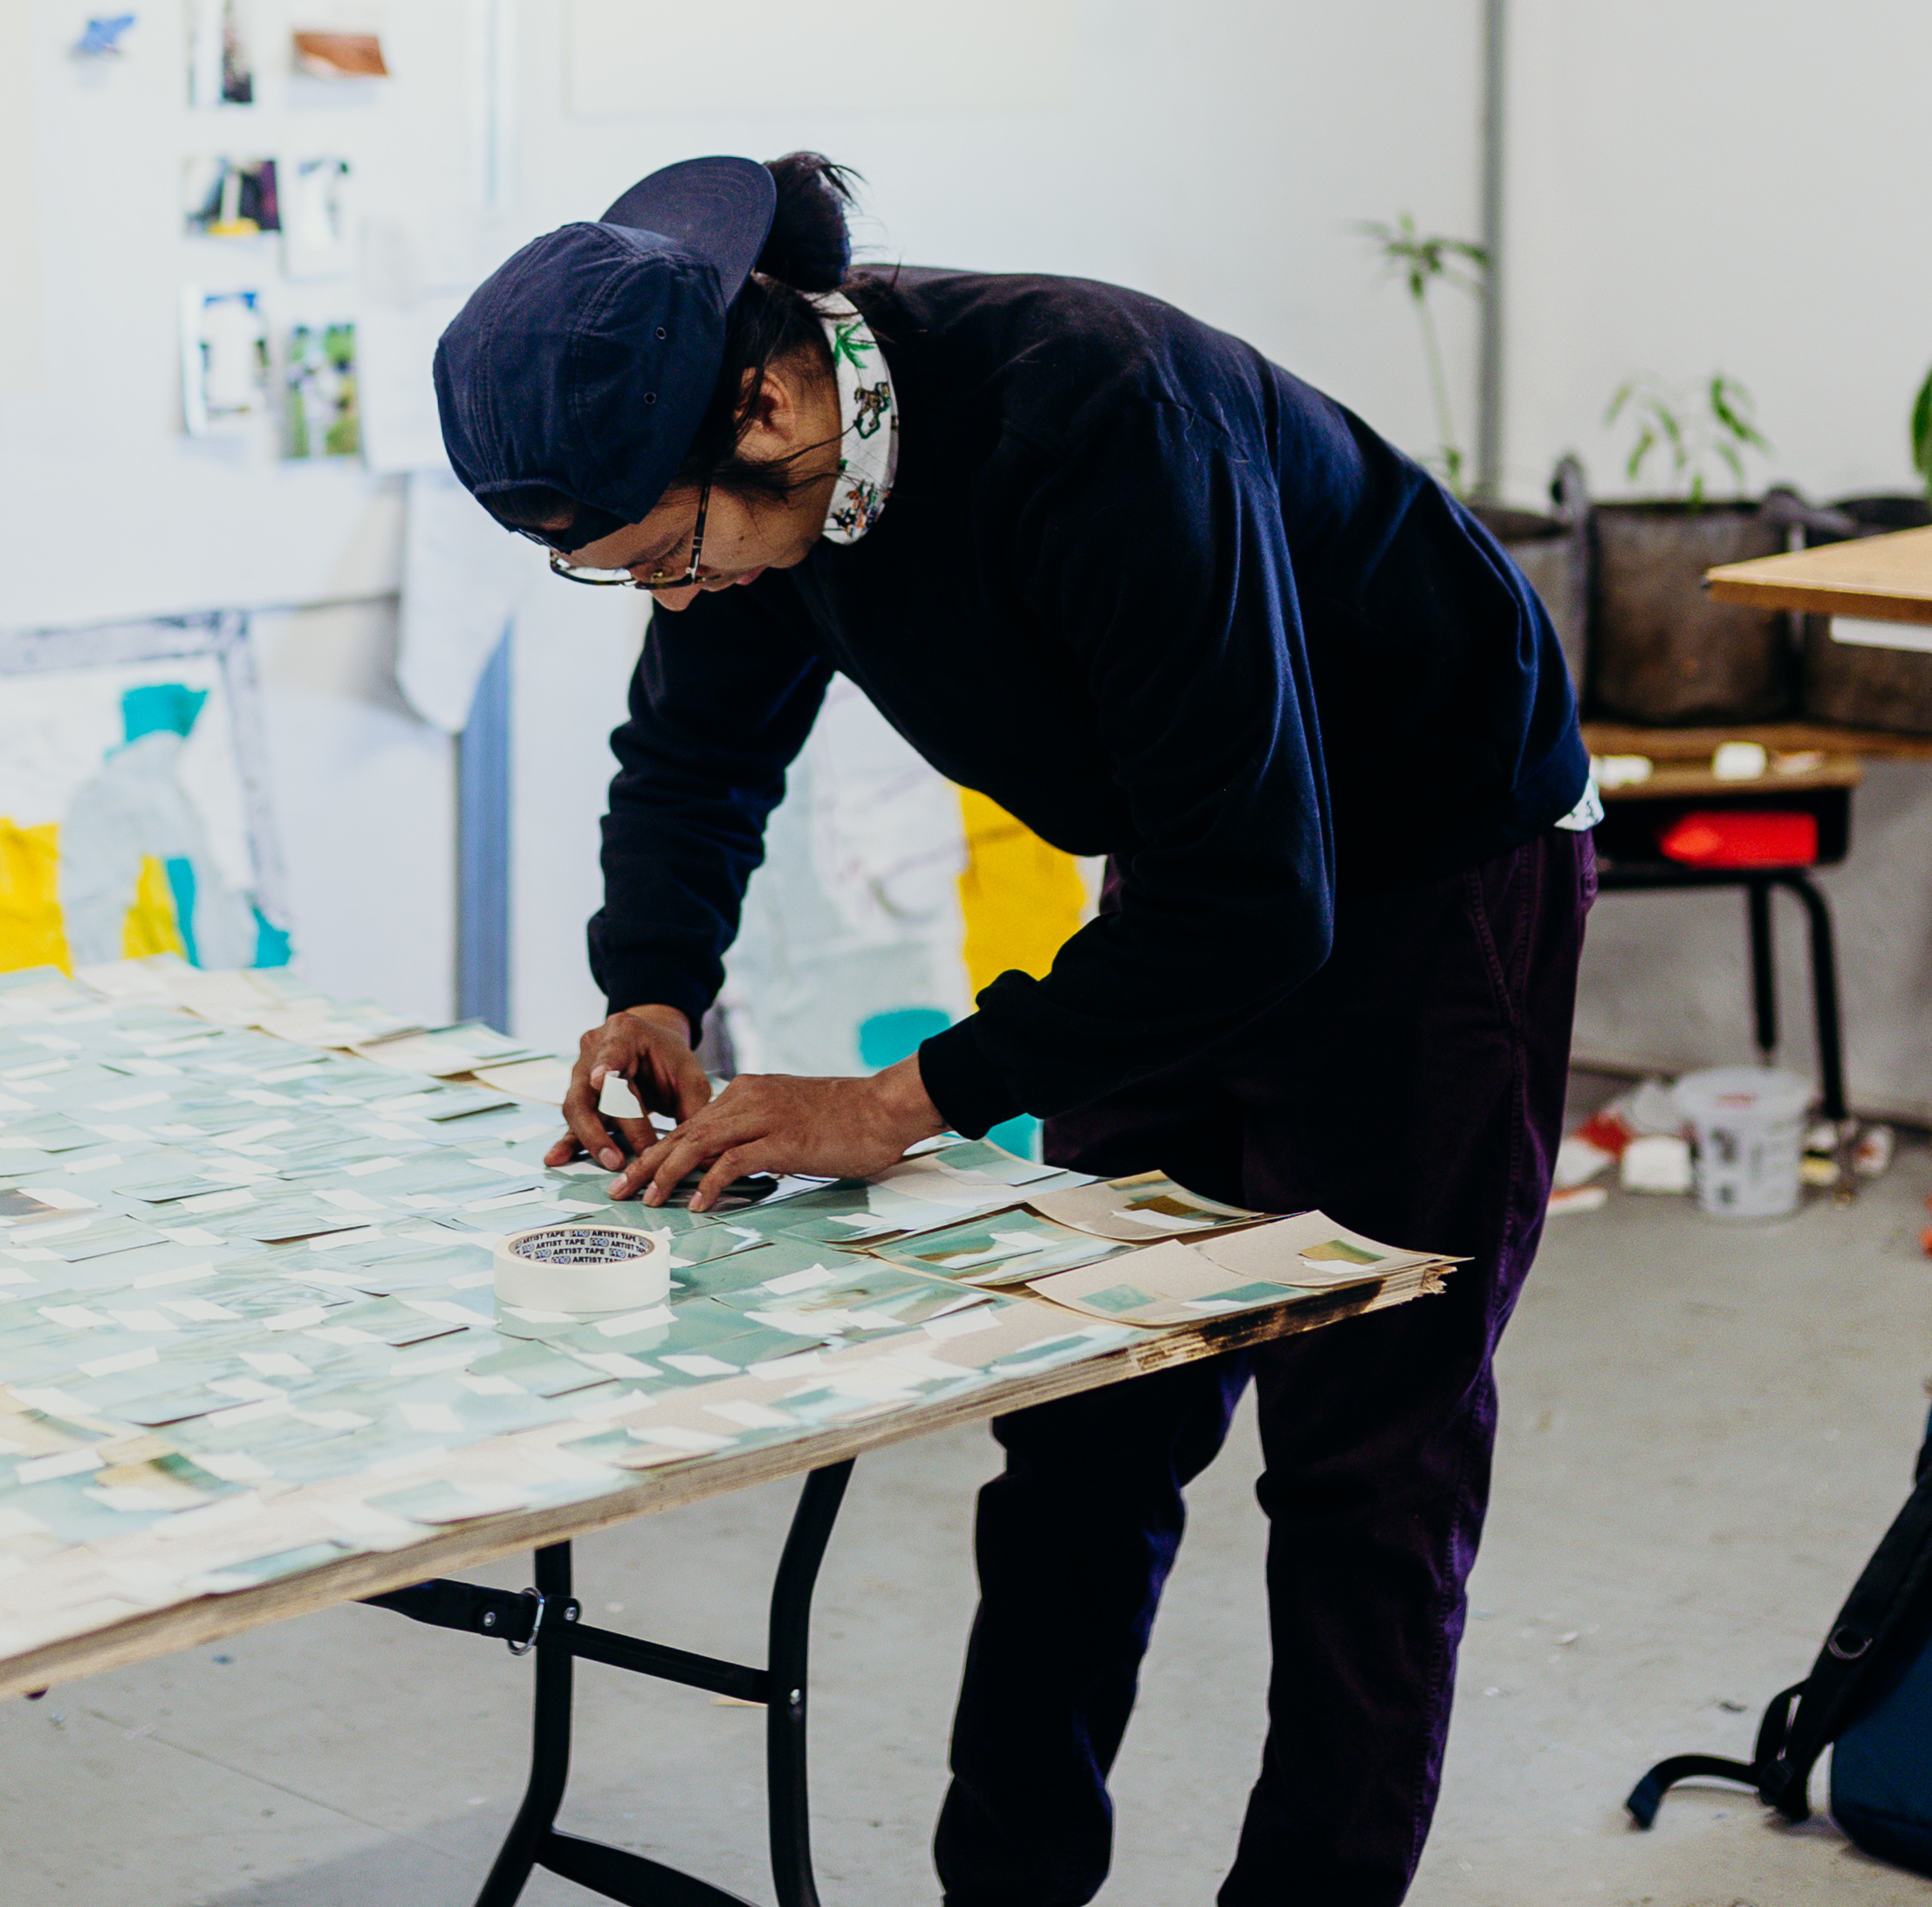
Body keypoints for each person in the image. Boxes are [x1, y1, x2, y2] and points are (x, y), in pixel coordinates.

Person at [431, 151, 1595, 1907]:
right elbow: (695, 744)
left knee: (1367, 1460)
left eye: (663, 554)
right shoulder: (764, 501)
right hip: (1207, 863)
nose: (668, 602)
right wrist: (651, 975)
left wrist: (907, 1099)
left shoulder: (1097, 420)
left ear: (759, 400)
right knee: (1083, 1423)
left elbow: (1263, 899)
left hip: (1433, 866)